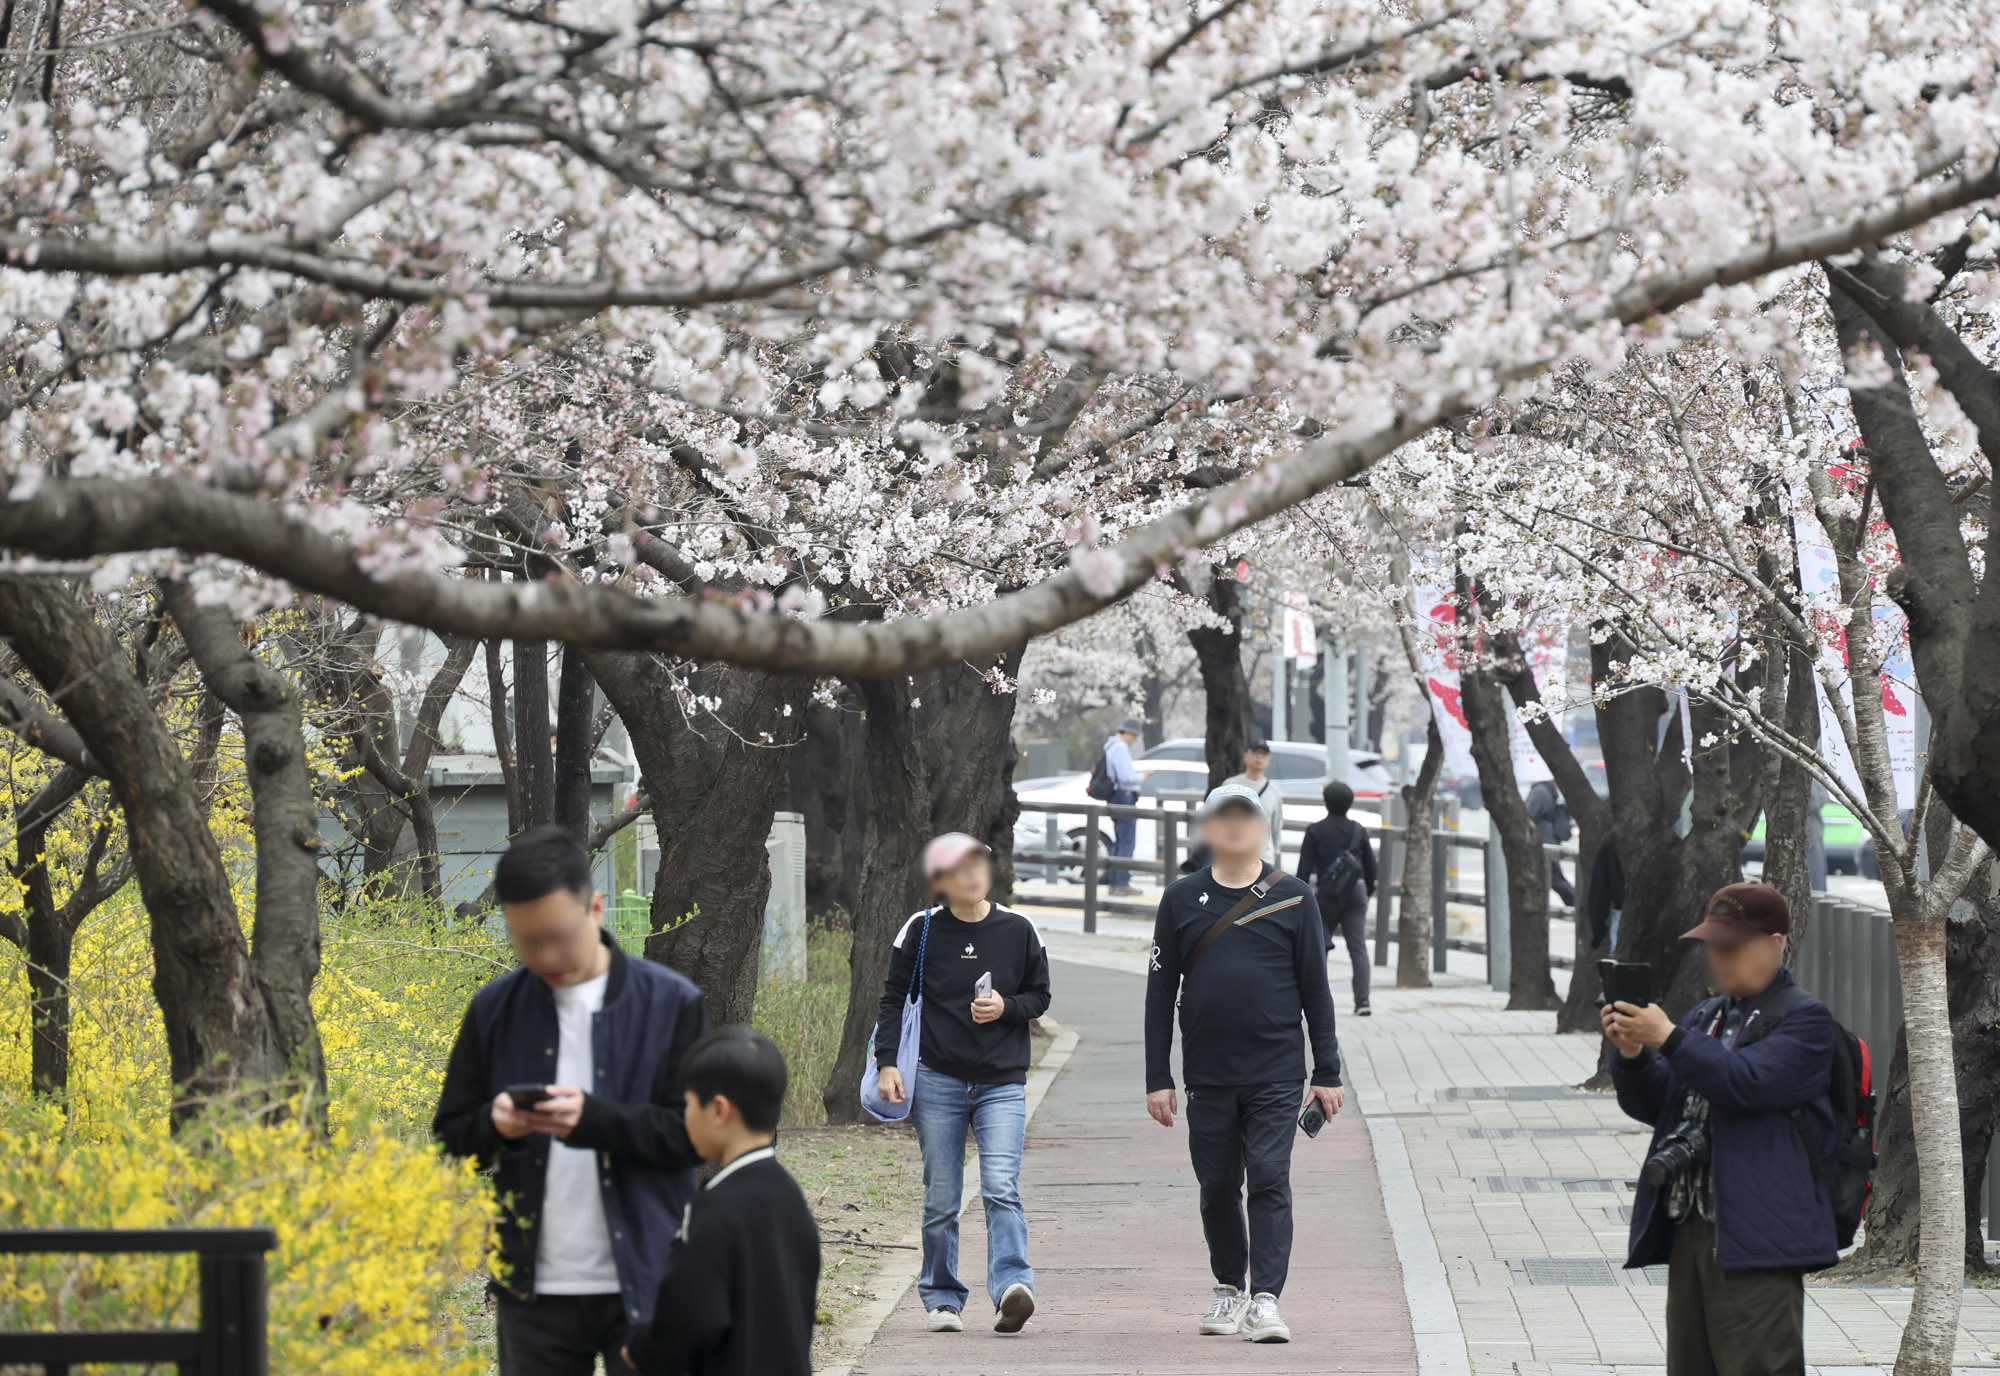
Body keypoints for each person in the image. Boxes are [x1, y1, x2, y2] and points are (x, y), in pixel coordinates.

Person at [433, 826, 710, 1376]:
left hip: (649, 1275)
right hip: (533, 1288)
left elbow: (695, 1137)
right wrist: (495, 1124)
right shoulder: (494, 1010)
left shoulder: (671, 1003)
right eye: (526, 941)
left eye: (560, 935)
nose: (547, 954)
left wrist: (596, 1121)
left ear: (596, 908)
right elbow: (452, 1137)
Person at [1602, 882, 1837, 1376]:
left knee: (1758, 1367)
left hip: (1759, 1232)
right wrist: (1632, 1054)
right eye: (1714, 946)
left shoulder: (1806, 1020)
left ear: (1775, 944)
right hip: (1692, 1222)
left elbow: (1747, 1084)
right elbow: (1665, 1106)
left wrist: (1667, 1036)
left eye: (1733, 946)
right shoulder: (1707, 1016)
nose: (1721, 958)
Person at [1144, 783, 1343, 1344]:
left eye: (1245, 817)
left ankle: (1266, 1299)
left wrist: (1327, 1071)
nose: (1234, 827)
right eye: (1222, 817)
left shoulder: (1294, 896)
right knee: (1216, 1185)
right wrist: (1158, 1077)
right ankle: (1229, 1286)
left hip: (1277, 1071)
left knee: (1270, 1179)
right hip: (1207, 1073)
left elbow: (1316, 990)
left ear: (1261, 826)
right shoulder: (1180, 898)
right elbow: (1159, 993)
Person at [874, 832, 1053, 1335]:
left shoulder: (1018, 928)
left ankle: (1013, 1288)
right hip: (937, 1079)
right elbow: (893, 1000)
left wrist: (1006, 1008)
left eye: (979, 864)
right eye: (959, 867)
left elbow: (1040, 995)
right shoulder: (921, 929)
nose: (973, 875)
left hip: (1002, 1082)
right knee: (941, 1197)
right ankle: (942, 1297)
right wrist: (888, 1062)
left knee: (1001, 1187)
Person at [620, 1028, 819, 1376]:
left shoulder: (714, 1209)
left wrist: (640, 1350)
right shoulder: (791, 1199)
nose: (685, 1117)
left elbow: (687, 1318)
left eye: (688, 1104)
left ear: (718, 1110)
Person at [1296, 780, 1378, 1016]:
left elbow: (1304, 870)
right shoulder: (1358, 830)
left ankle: (1316, 1001)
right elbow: (1371, 867)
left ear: (1326, 803)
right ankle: (1363, 1002)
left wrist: (1302, 898)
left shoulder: (1315, 830)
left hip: (1327, 895)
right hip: (1355, 893)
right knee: (1358, 948)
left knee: (1319, 946)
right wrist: (1367, 892)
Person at [1221, 741, 1286, 866]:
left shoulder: (1274, 791)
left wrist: (1276, 853)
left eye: (1264, 753)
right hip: (1233, 855)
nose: (1259, 757)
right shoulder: (1229, 785)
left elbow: (1276, 826)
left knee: (1263, 886)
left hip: (1264, 858)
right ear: (1246, 755)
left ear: (1268, 758)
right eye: (1255, 752)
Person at [1103, 716, 1145, 894]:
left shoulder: (1110, 746)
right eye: (1134, 736)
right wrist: (1143, 777)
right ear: (1127, 733)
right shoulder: (1120, 748)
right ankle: (1121, 883)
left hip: (1115, 796)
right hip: (1124, 796)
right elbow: (1125, 777)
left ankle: (1115, 881)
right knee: (1127, 841)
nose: (1134, 740)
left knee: (1119, 841)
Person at [1526, 779, 1576, 907]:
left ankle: (1577, 905)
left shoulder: (1539, 791)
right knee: (1550, 878)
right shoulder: (1546, 789)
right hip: (1548, 838)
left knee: (1555, 878)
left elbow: (1529, 815)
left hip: (1543, 839)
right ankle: (1577, 905)